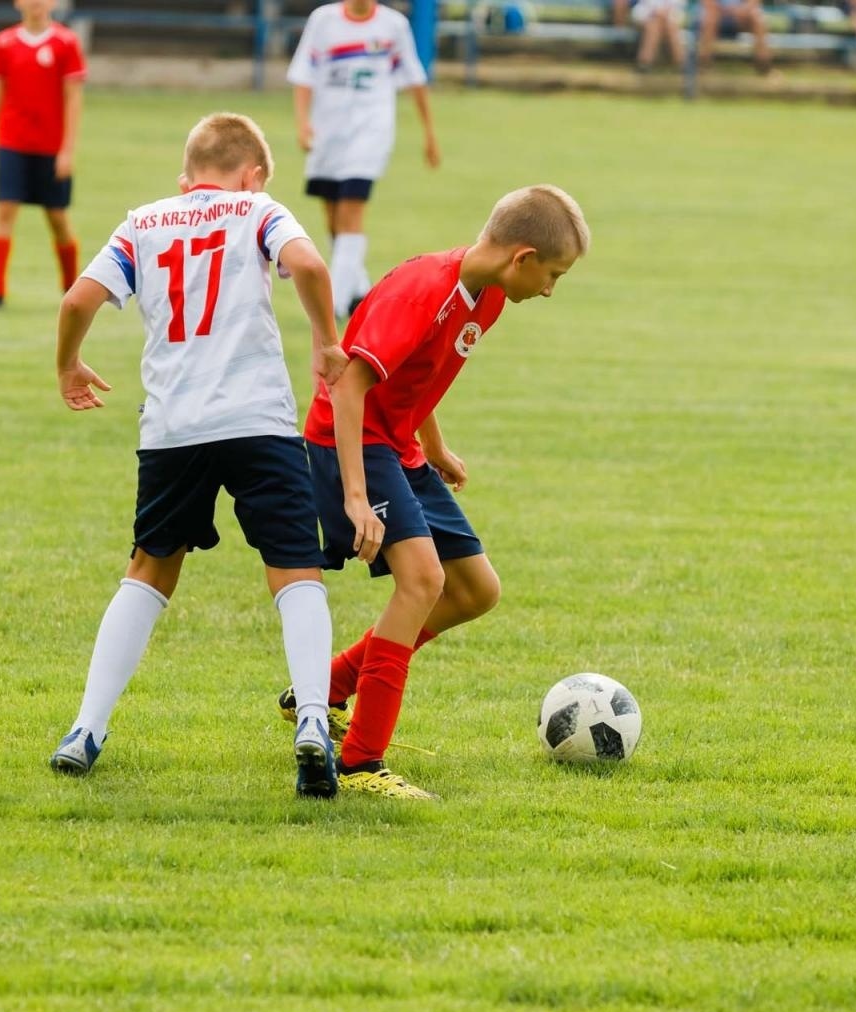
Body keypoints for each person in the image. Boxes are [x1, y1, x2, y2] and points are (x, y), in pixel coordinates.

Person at [48, 113, 348, 800]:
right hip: (258, 421)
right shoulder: (259, 210)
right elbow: (308, 263)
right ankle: (311, 719)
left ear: (187, 179)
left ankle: (86, 729)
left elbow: (77, 299)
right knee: (294, 569)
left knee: (148, 571)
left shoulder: (144, 222)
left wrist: (68, 364)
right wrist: (326, 340)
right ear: (253, 176)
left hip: (173, 428)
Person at [281, 185, 591, 800]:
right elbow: (348, 388)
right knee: (423, 581)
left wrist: (436, 446)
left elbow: (418, 374)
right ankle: (361, 763)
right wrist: (353, 496)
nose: (550, 290)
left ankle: (326, 687)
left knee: (476, 590)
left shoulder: (488, 294)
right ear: (523, 257)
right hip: (351, 441)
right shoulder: (424, 292)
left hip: (396, 444)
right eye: (553, 275)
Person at [287, 0, 441, 321]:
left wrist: (429, 133)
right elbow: (303, 74)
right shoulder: (323, 21)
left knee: (350, 212)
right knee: (333, 217)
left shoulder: (393, 26)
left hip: (370, 133)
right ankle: (360, 291)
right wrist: (302, 123)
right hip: (329, 133)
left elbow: (415, 79)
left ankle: (336, 302)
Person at [0, 0, 86, 309]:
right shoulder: (3, 42)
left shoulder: (66, 43)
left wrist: (67, 150)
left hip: (50, 147)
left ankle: (71, 291)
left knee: (57, 218)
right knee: (4, 212)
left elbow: (73, 99)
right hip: (12, 143)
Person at [698, 0, 776, 75]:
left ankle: (764, 65)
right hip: (716, 16)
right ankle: (703, 65)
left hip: (740, 16)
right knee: (709, 18)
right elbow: (708, 3)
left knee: (757, 18)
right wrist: (725, 11)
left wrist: (741, 10)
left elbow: (753, 2)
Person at [631, 0, 687, 72]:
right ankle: (681, 62)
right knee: (653, 26)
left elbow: (679, 4)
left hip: (671, 16)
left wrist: (665, 12)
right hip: (647, 13)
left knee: (670, 26)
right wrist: (657, 11)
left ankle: (644, 62)